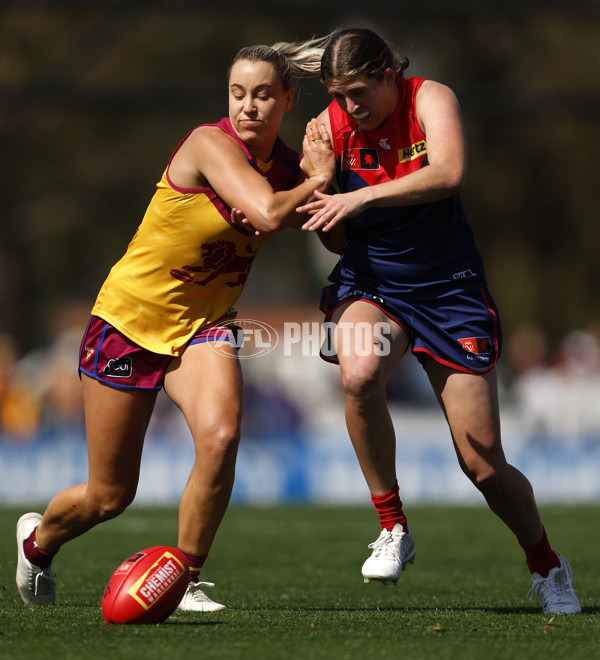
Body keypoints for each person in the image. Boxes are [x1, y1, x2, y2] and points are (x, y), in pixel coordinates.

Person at [16, 39, 335, 612]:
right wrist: (318, 179)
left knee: (221, 435)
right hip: (127, 323)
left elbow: (328, 231)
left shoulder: (288, 168)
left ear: (287, 99)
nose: (248, 107)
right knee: (109, 496)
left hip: (203, 326)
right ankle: (37, 543)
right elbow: (266, 213)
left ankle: (184, 576)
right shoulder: (207, 143)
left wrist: (326, 186)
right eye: (238, 93)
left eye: (264, 95)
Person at [296, 27, 581, 614]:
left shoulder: (431, 98)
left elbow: (449, 173)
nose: (348, 106)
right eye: (337, 94)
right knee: (359, 373)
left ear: (387, 74)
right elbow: (334, 238)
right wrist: (323, 184)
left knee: (482, 463)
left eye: (357, 91)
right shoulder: (329, 128)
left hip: (450, 291)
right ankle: (393, 526)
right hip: (372, 283)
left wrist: (360, 197)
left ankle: (547, 565)